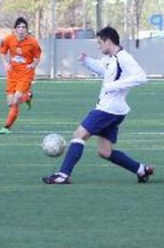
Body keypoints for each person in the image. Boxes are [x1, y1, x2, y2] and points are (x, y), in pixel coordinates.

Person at [42, 26, 154, 185]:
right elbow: (103, 68)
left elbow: (141, 77)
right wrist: (86, 61)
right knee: (105, 151)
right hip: (115, 110)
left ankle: (63, 174)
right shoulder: (110, 58)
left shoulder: (123, 57)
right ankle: (141, 170)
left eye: (100, 42)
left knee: (79, 135)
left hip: (108, 109)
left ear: (109, 41)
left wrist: (114, 86)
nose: (98, 46)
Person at [0, 16, 42, 134]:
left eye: (23, 27)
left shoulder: (33, 42)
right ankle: (28, 96)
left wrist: (33, 65)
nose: (21, 29)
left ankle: (6, 127)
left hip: (26, 74)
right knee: (11, 102)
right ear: (15, 29)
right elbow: (2, 52)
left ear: (27, 30)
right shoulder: (9, 39)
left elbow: (37, 57)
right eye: (19, 27)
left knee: (16, 98)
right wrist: (5, 63)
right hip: (12, 74)